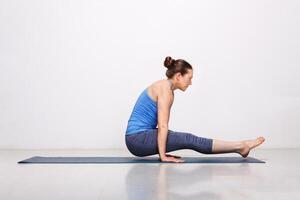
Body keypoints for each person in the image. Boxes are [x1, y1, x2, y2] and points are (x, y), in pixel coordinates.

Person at [125, 56, 265, 163]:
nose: (191, 82)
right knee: (189, 139)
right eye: (189, 78)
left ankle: (240, 146)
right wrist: (163, 156)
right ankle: (240, 146)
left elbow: (162, 127)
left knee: (185, 138)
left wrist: (164, 150)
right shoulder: (165, 91)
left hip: (139, 138)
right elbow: (162, 125)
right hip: (137, 139)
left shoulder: (164, 87)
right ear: (179, 76)